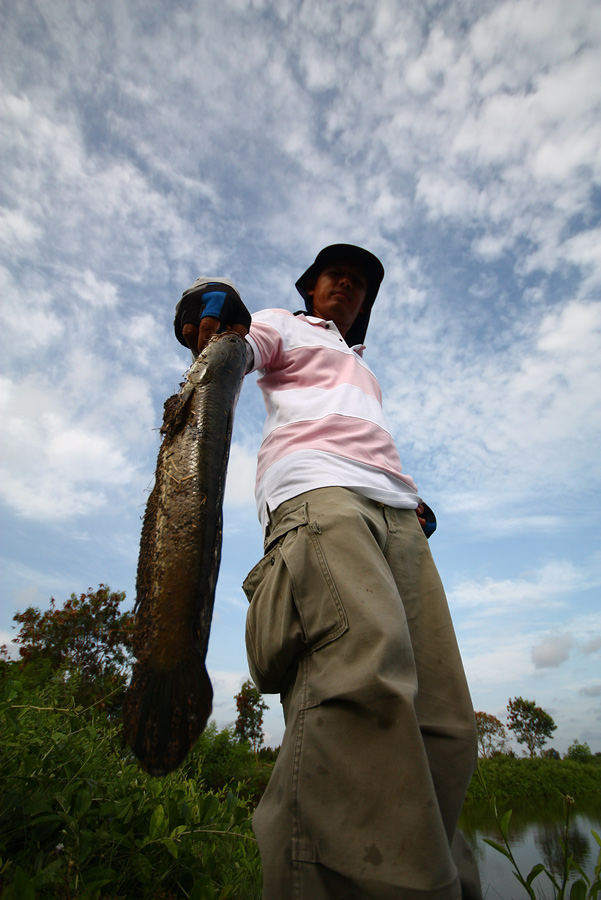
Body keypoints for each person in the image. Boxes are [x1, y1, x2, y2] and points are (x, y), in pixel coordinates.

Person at [175, 245, 482, 900]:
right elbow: (233, 347)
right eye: (332, 273)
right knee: (359, 674)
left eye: (358, 280)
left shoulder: (362, 369)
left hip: (396, 512)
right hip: (319, 495)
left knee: (447, 726)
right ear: (310, 290)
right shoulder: (284, 326)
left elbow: (366, 434)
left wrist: (408, 498)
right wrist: (217, 329)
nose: (345, 282)